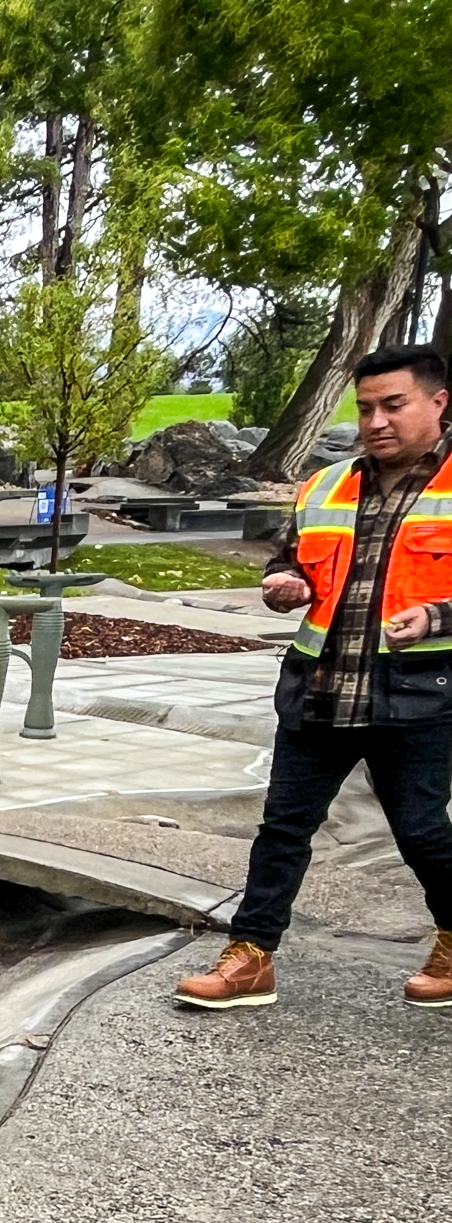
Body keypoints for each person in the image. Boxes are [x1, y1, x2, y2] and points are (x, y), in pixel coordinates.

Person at [176, 341, 452, 1010]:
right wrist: (284, 583)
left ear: (438, 403)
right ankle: (250, 956)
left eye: (393, 405)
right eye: (365, 409)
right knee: (282, 828)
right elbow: (291, 561)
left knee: (421, 831)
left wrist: (438, 617)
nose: (375, 421)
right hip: (320, 689)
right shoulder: (326, 486)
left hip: (416, 699)